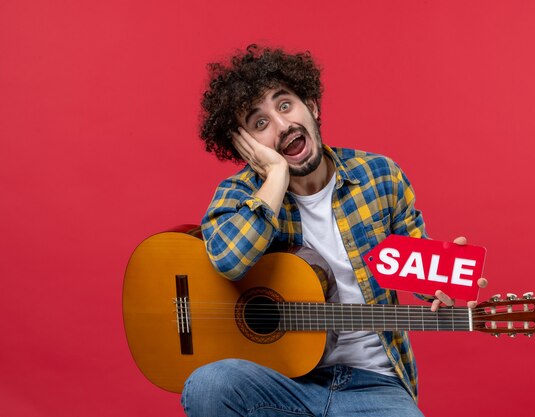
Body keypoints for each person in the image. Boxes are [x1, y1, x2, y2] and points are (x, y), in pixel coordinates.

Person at [182, 44, 486, 417]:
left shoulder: (379, 176)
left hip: (374, 382)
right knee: (209, 384)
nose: (281, 126)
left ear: (311, 105)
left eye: (284, 105)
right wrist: (275, 176)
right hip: (282, 384)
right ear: (246, 147)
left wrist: (442, 281)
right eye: (259, 123)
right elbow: (228, 261)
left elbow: (418, 271)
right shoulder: (238, 195)